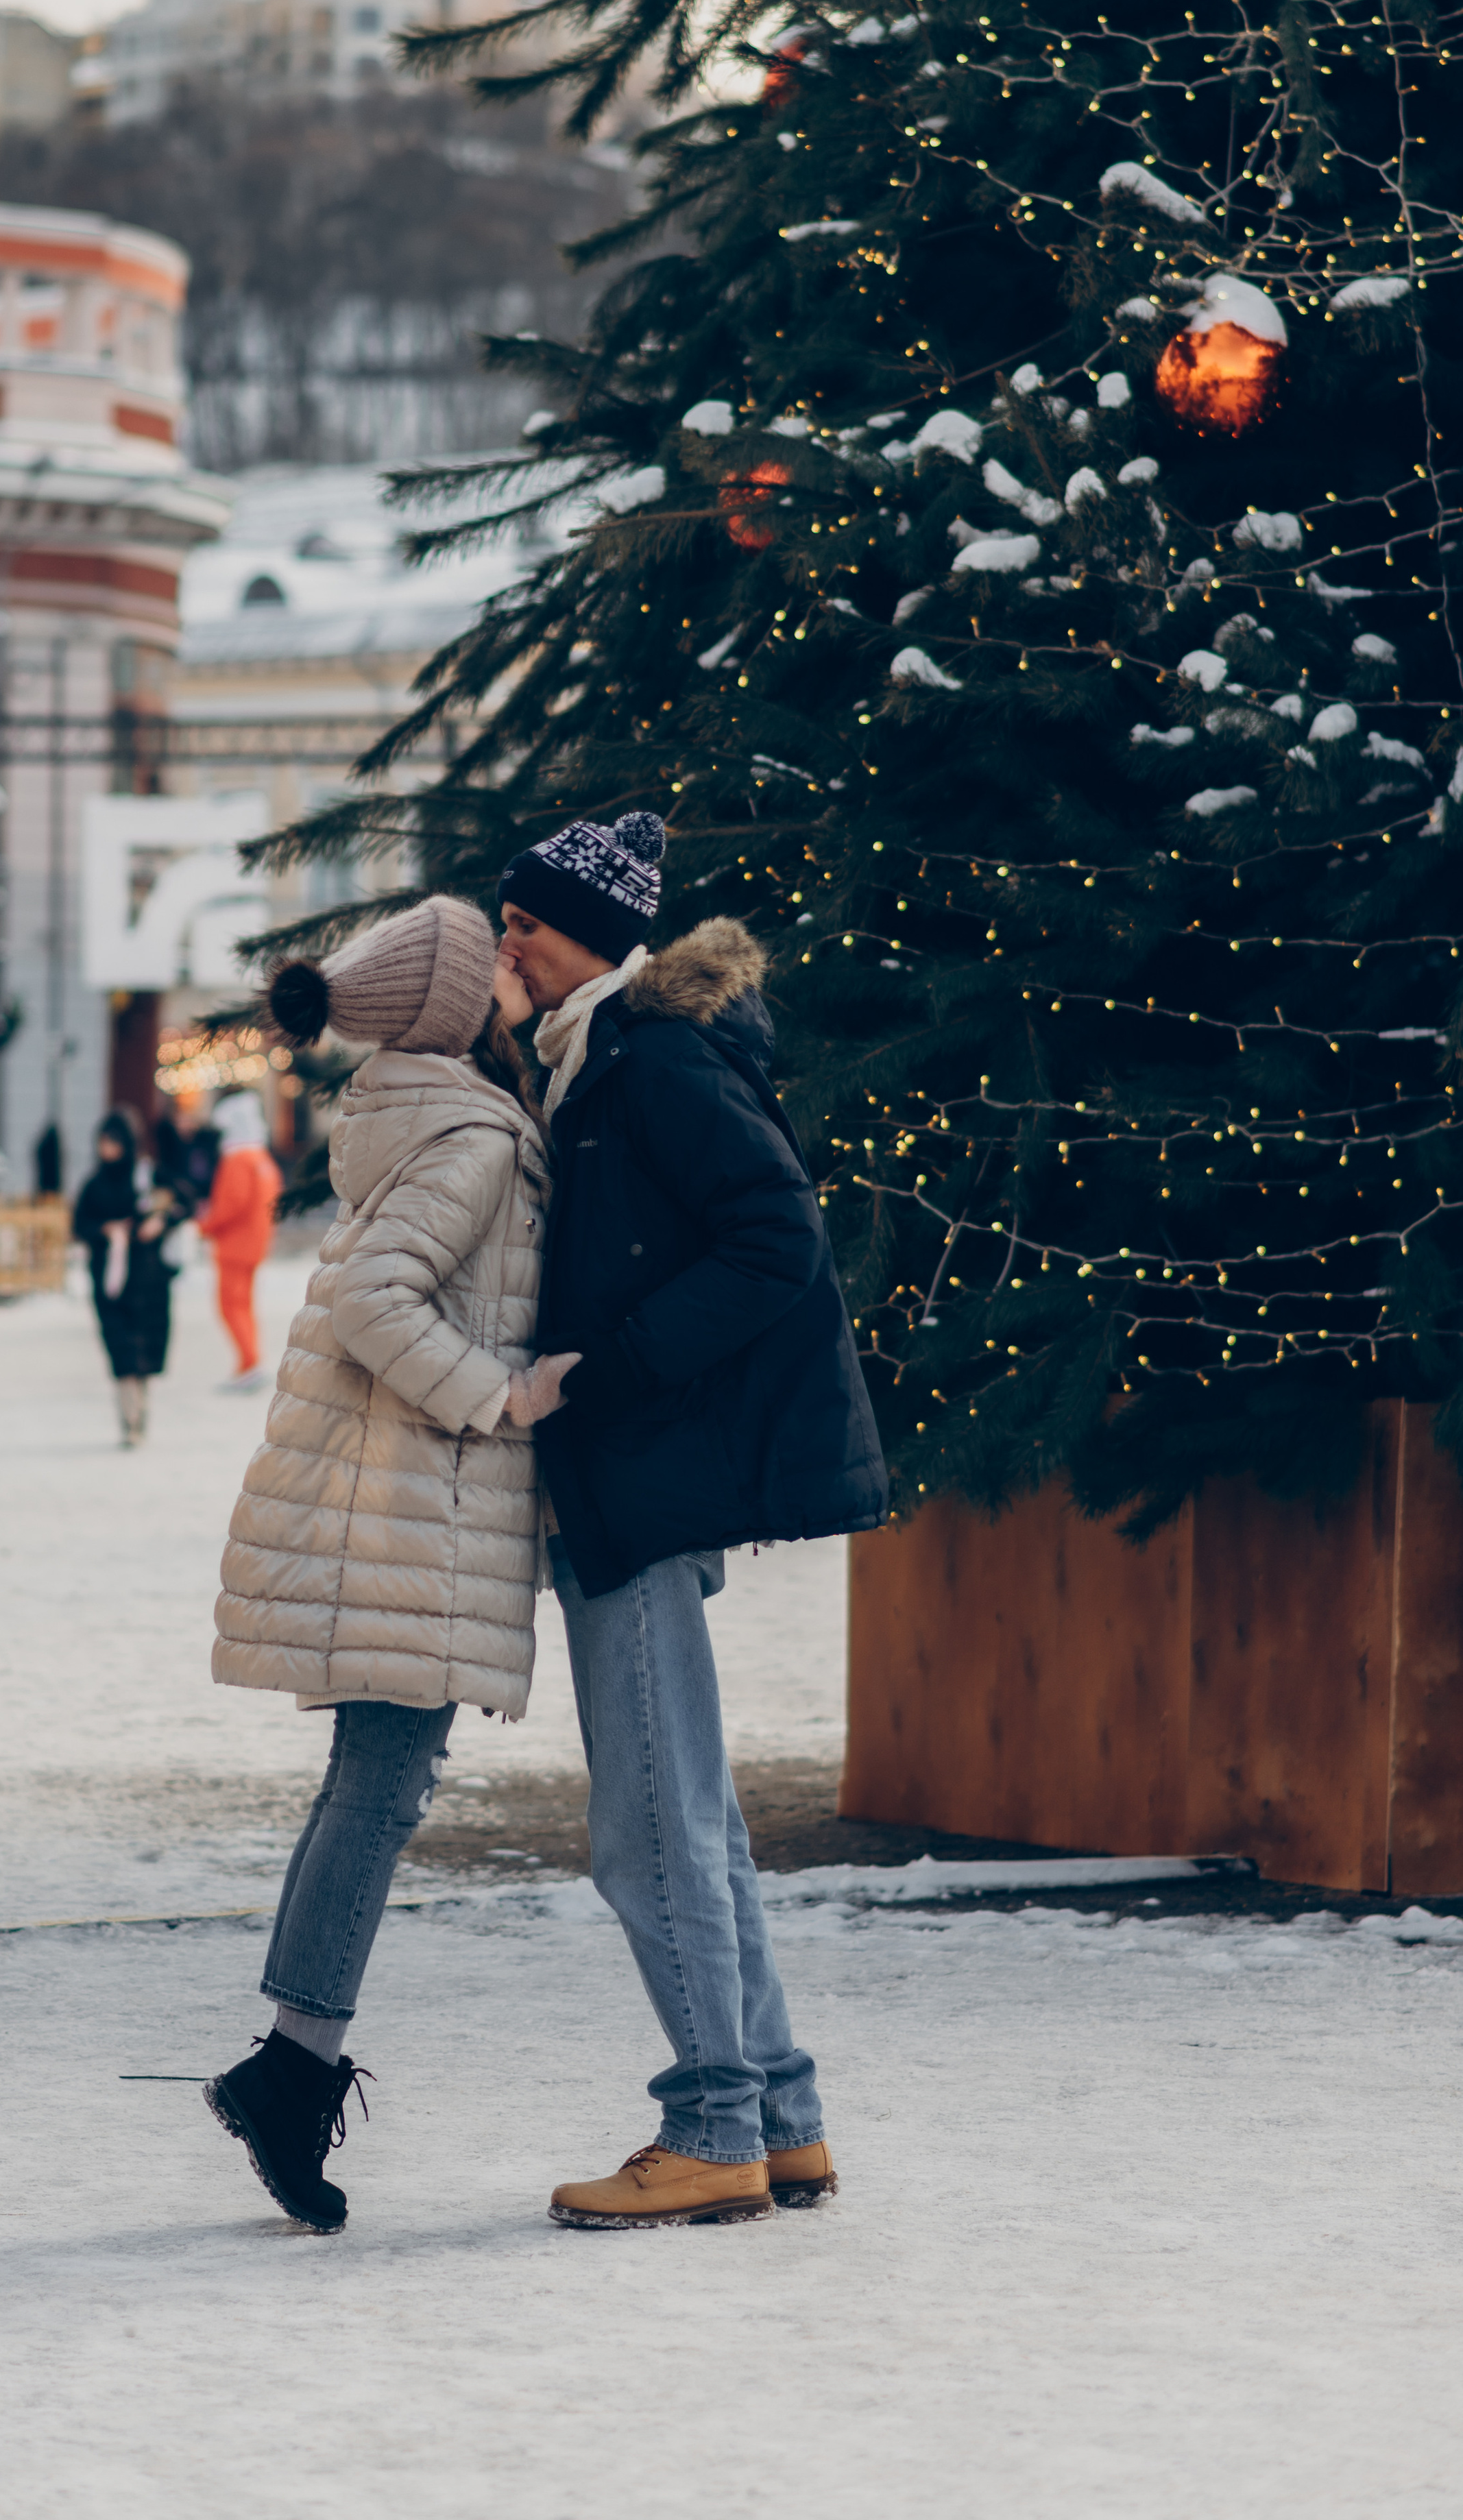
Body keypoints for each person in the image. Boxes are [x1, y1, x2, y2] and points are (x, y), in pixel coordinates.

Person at [496, 810, 890, 2230]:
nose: (505, 945)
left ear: (591, 937)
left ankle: (714, 2125)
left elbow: (776, 1241)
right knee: (694, 1817)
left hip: (642, 1472)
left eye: (524, 924)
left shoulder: (649, 1056)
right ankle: (778, 2117)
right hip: (633, 1471)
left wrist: (606, 1372)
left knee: (649, 1827)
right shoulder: (587, 1054)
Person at [204, 897, 572, 2233]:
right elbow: (374, 1300)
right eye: (490, 962)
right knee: (380, 1785)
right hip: (413, 1504)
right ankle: (288, 2070)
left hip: (390, 1501)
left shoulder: (409, 1107)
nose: (510, 971)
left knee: (371, 1780)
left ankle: (289, 2064)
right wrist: (502, 1394)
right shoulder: (468, 1131)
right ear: (452, 1006)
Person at [72, 1107, 191, 1446]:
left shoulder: (149, 1175)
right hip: (109, 1281)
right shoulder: (95, 1183)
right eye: (103, 1141)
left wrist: (160, 1222)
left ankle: (138, 1415)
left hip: (149, 1280)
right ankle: (130, 1421)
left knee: (144, 1350)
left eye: (113, 1141)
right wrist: (106, 1230)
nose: (106, 1149)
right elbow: (80, 1224)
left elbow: (185, 1202)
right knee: (121, 1349)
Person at [197, 1087, 283, 1392]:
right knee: (244, 1305)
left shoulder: (237, 1160)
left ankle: (250, 1363)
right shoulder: (262, 1159)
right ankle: (249, 1363)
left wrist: (203, 1226)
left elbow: (231, 1204)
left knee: (230, 1306)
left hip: (234, 1244)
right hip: (255, 1243)